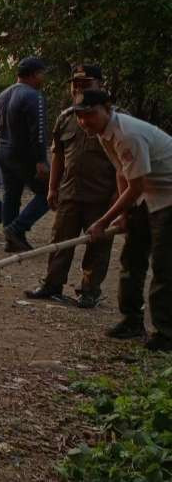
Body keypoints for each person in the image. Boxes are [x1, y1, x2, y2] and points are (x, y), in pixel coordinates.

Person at [73, 89, 172, 351]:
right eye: (80, 116)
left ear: (108, 108)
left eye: (90, 114)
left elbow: (135, 186)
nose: (85, 122)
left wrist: (104, 221)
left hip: (168, 197)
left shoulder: (128, 133)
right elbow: (122, 173)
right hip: (148, 195)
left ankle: (166, 333)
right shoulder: (105, 134)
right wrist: (125, 215)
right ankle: (131, 321)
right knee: (132, 259)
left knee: (164, 266)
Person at [24, 65, 117, 308]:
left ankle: (89, 290)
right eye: (75, 83)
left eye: (86, 83)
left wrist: (117, 199)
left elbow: (124, 164)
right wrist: (52, 187)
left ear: (100, 85)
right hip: (70, 192)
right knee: (59, 242)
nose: (78, 87)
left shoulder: (114, 117)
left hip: (101, 196)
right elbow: (58, 155)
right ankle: (51, 285)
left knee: (98, 246)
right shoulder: (66, 117)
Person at [0, 56, 50, 252]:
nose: (44, 79)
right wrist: (41, 160)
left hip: (2, 150)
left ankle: (11, 239)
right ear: (35, 74)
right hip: (22, 153)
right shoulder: (34, 96)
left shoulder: (3, 94)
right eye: (42, 74)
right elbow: (39, 131)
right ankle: (17, 229)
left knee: (11, 195)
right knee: (49, 193)